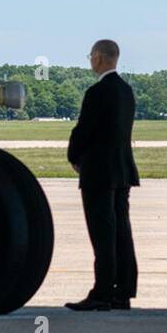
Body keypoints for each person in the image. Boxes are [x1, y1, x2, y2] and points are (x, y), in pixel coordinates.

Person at [65, 39, 140, 311]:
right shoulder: (126, 91)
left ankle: (102, 292)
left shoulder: (97, 92)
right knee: (121, 231)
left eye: (91, 56)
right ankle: (123, 291)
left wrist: (74, 156)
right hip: (122, 170)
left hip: (98, 172)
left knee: (103, 234)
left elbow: (83, 130)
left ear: (98, 58)